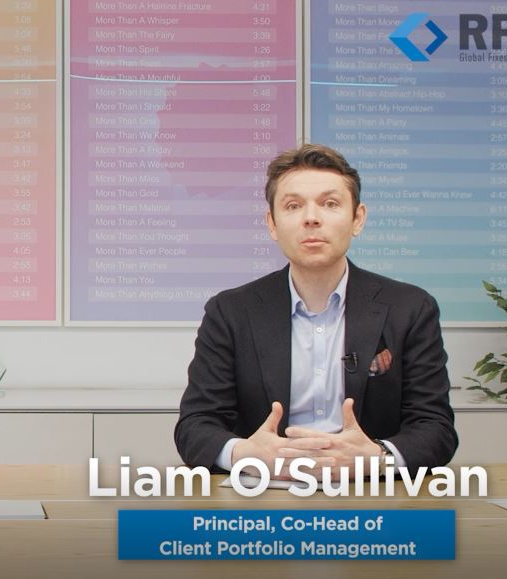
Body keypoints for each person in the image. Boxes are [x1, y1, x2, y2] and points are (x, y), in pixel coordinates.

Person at [174, 144, 456, 476]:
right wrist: (244, 453)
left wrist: (378, 457)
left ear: (357, 219)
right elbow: (195, 426)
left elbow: (435, 428)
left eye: (330, 203)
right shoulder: (231, 311)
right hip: (263, 495)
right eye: (293, 206)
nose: (311, 218)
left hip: (372, 492)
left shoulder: (409, 308)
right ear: (272, 224)